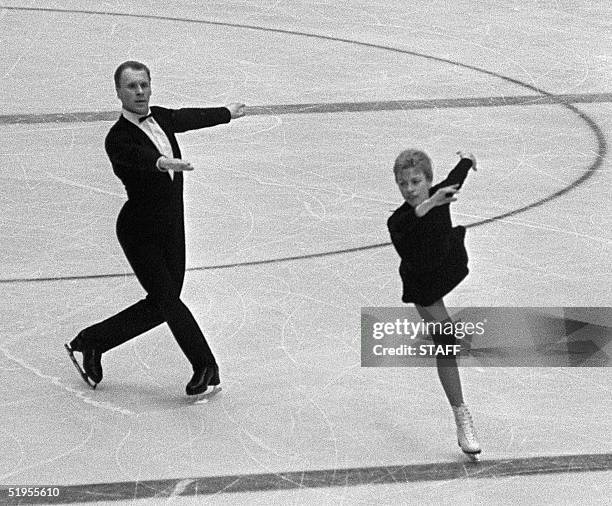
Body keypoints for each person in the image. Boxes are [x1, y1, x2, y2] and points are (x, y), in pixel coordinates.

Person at [65, 60, 245, 396]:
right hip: (139, 231)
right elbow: (134, 156)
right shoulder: (116, 138)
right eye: (131, 86)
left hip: (171, 228)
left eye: (144, 85)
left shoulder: (160, 117)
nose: (139, 92)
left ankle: (91, 341)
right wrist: (160, 162)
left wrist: (226, 112)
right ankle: (205, 364)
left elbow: (185, 118)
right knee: (167, 300)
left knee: (164, 302)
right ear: (118, 92)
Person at [386, 149, 481, 460]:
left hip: (446, 267)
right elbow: (413, 226)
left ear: (428, 179)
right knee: (447, 341)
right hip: (422, 284)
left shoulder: (441, 193)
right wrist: (430, 203)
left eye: (416, 181)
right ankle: (461, 416)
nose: (410, 189)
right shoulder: (398, 221)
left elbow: (457, 178)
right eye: (403, 184)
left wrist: (467, 160)